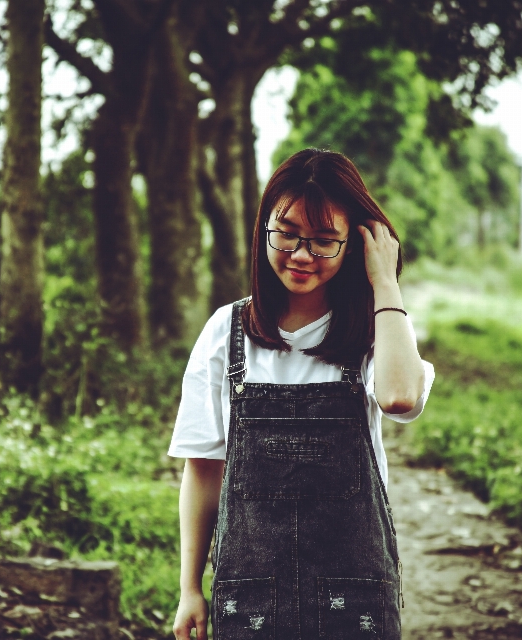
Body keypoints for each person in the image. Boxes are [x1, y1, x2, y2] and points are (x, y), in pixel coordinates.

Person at [168, 149, 435, 640]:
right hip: (250, 596)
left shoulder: (377, 330)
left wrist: (384, 284)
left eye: (324, 241)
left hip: (353, 595)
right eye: (286, 233)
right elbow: (202, 467)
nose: (301, 254)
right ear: (263, 227)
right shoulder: (227, 333)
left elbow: (399, 397)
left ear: (353, 244)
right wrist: (189, 588)